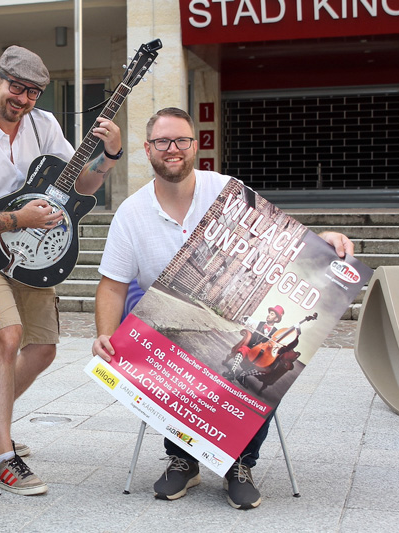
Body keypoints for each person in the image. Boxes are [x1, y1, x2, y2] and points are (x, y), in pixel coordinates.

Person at [91, 107, 354, 510]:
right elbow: (111, 286)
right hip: (159, 324)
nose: (173, 149)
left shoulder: (227, 189)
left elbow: (279, 244)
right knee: (162, 343)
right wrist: (104, 336)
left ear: (196, 146)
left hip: (239, 314)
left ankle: (240, 463)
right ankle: (183, 458)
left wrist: (323, 241)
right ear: (148, 149)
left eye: (182, 140)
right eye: (163, 142)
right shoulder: (130, 213)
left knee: (266, 364)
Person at [0, 45, 123, 495]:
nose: (23, 100)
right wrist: (18, 220)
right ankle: (4, 456)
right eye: (17, 88)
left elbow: (78, 183)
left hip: (29, 250)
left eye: (34, 93)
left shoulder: (44, 126)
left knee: (43, 348)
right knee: (7, 335)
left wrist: (110, 154)